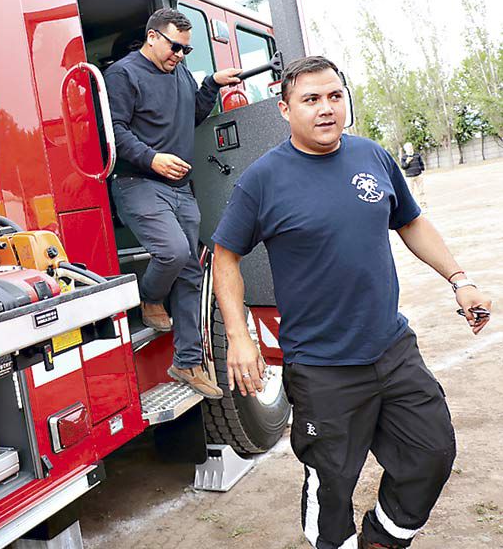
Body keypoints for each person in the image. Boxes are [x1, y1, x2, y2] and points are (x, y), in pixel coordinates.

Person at [211, 56, 492, 549]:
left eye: (334, 96)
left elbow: (410, 222)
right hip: (322, 368)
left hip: (392, 347)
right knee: (332, 482)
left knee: (432, 452)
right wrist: (239, 337)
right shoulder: (263, 179)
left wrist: (459, 278)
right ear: (285, 109)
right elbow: (225, 255)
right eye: (311, 100)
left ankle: (383, 538)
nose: (326, 109)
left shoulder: (373, 157)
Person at [105, 7, 242, 398]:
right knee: (173, 252)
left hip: (180, 189)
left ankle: (187, 362)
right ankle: (148, 298)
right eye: (175, 47)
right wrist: (152, 157)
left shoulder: (179, 72)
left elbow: (192, 114)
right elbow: (112, 130)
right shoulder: (124, 74)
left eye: (187, 50)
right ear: (152, 37)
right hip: (139, 183)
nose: (180, 56)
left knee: (191, 273)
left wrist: (211, 84)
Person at [401, 142, 427, 208]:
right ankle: (412, 206)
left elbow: (421, 163)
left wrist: (422, 170)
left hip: (418, 175)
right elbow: (403, 167)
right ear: (405, 149)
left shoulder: (417, 155)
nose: (410, 148)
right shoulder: (404, 157)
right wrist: (407, 161)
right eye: (409, 147)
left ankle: (423, 203)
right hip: (410, 177)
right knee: (410, 192)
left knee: (421, 191)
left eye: (411, 147)